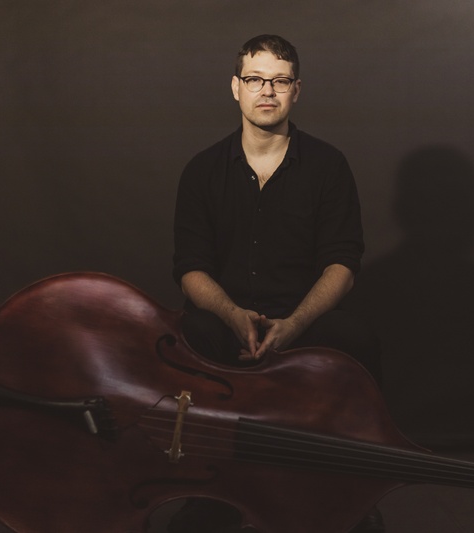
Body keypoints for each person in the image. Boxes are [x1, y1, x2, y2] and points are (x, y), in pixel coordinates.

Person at [170, 34, 384, 533]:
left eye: (280, 80)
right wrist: (231, 315)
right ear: (235, 87)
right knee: (191, 333)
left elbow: (342, 264)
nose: (267, 90)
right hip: (224, 321)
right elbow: (190, 268)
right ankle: (205, 492)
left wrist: (294, 324)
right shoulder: (202, 170)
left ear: (296, 90)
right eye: (255, 79)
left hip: (302, 318)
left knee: (357, 339)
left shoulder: (329, 166)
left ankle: (352, 495)